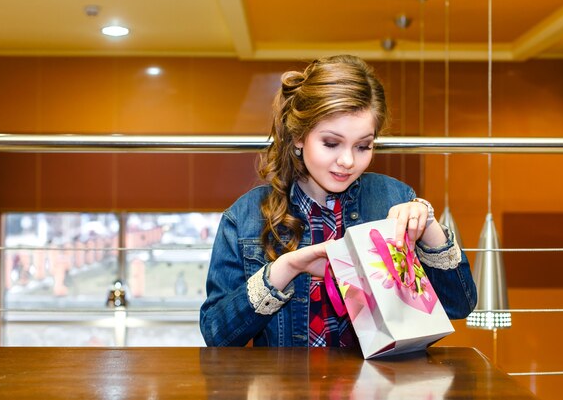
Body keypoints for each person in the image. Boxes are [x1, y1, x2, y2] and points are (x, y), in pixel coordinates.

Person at [200, 55, 477, 348]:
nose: (347, 161)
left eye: (363, 146)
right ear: (298, 137)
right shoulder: (245, 217)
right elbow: (216, 336)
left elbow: (458, 306)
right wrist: (286, 267)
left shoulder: (394, 198)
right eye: (331, 143)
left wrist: (429, 227)